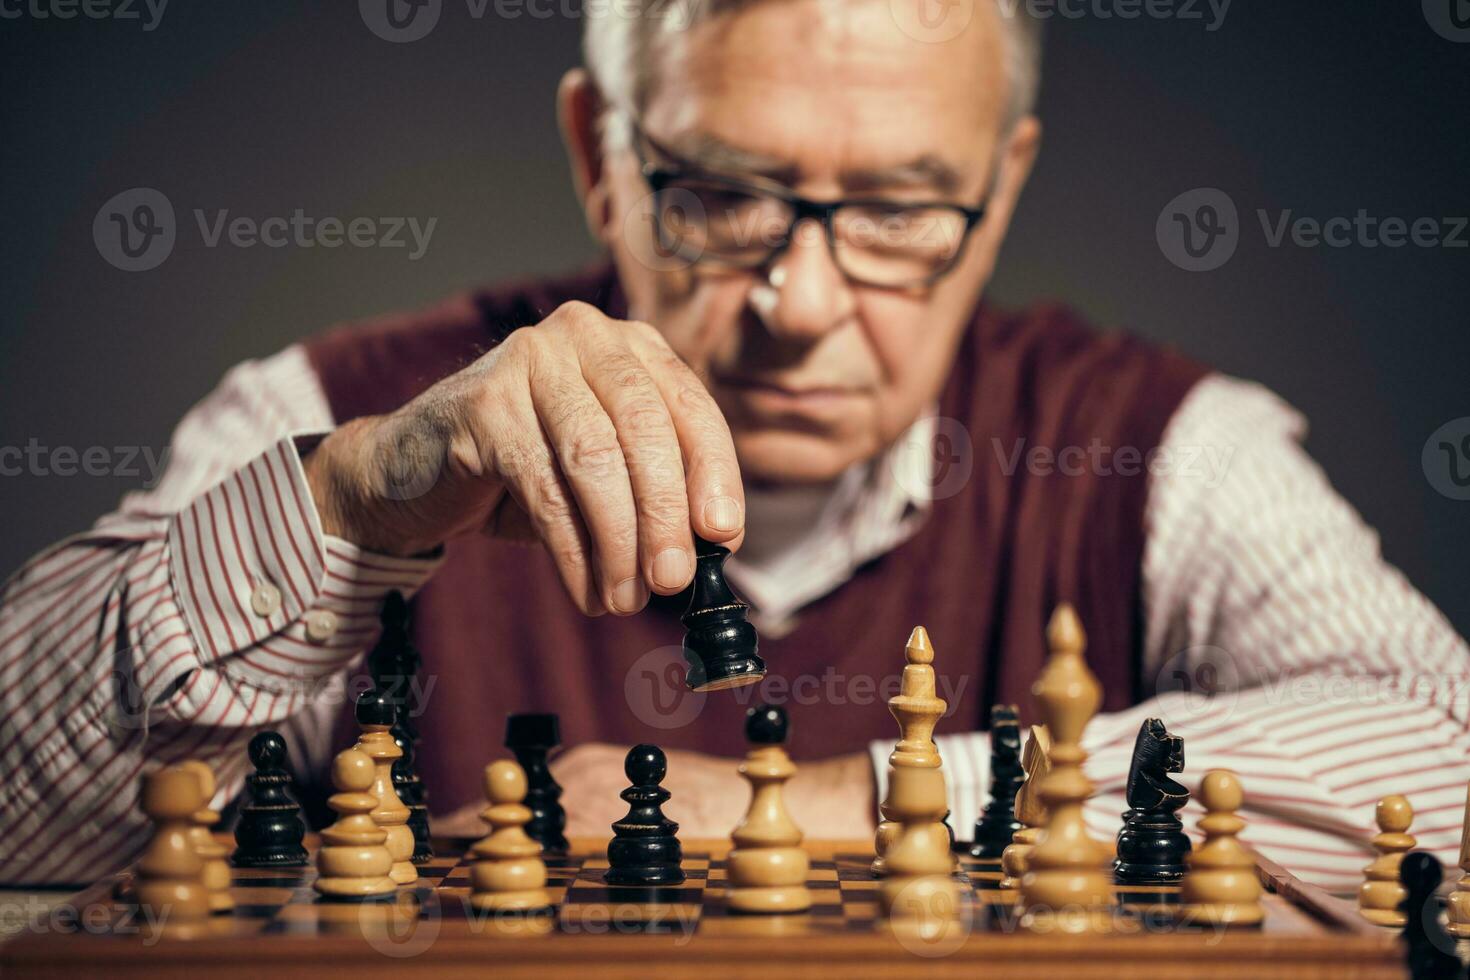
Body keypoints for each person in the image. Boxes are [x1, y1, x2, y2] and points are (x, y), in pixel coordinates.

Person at [2, 0, 1465, 892]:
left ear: (1001, 192)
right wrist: (352, 510)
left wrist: (840, 805)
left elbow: (1449, 751)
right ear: (597, 156)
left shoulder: (1154, 449)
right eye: (720, 193)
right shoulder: (340, 416)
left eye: (902, 207)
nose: (800, 304)